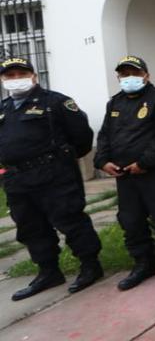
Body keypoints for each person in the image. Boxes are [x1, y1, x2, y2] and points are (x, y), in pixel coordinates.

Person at [0, 57, 103, 301]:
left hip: (54, 175)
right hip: (17, 178)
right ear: (3, 80)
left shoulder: (56, 102)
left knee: (70, 220)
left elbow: (82, 138)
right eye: (9, 76)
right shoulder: (3, 109)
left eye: (21, 74)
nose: (16, 80)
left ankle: (90, 266)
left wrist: (59, 162)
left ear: (34, 76)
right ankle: (49, 271)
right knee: (30, 227)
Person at [94, 56, 155, 291]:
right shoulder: (115, 102)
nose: (129, 78)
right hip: (125, 176)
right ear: (118, 77)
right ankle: (144, 263)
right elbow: (105, 135)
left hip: (154, 172)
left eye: (134, 73)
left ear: (146, 75)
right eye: (124, 74)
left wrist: (144, 162)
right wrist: (102, 161)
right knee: (131, 221)